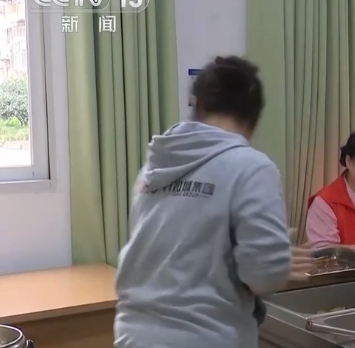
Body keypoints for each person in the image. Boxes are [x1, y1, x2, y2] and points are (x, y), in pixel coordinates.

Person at [115, 56, 314, 348]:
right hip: (206, 336)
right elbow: (262, 275)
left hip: (134, 336)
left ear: (197, 106)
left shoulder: (154, 167)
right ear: (254, 117)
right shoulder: (251, 166)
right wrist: (278, 261)